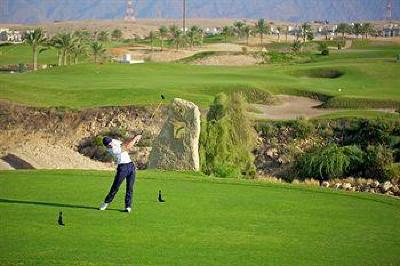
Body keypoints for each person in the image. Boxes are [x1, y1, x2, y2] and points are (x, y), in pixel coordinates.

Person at [99, 134, 142, 213]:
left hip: (131, 166)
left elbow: (125, 143)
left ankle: (128, 206)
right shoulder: (112, 150)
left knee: (130, 188)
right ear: (107, 146)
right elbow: (126, 147)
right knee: (115, 187)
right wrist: (135, 138)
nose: (111, 144)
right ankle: (106, 203)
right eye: (109, 145)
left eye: (111, 142)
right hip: (122, 168)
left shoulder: (114, 141)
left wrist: (135, 140)